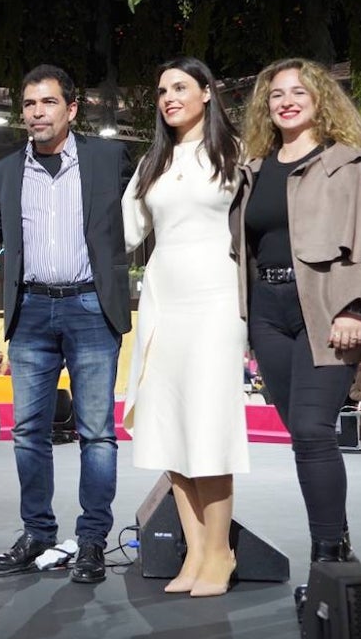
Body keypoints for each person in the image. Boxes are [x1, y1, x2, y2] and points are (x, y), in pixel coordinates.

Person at [230, 58, 361, 584]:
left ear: (321, 98)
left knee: (312, 429)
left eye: (298, 91)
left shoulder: (347, 164)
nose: (286, 101)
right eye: (276, 95)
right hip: (267, 314)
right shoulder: (254, 168)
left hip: (325, 308)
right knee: (302, 434)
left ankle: (328, 555)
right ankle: (337, 542)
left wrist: (353, 306)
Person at [0, 64, 131, 584]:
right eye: (28, 104)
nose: (36, 113)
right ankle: (38, 533)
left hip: (91, 307)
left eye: (47, 103)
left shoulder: (108, 158)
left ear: (72, 109)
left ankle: (92, 540)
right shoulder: (6, 170)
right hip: (29, 311)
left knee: (97, 433)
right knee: (28, 432)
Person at [121, 56, 247, 597]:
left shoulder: (236, 152)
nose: (169, 96)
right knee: (170, 425)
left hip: (217, 297)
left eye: (180, 87)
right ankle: (194, 553)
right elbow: (124, 230)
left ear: (206, 93)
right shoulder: (154, 161)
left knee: (208, 424)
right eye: (161, 89)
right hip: (162, 298)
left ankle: (221, 553)